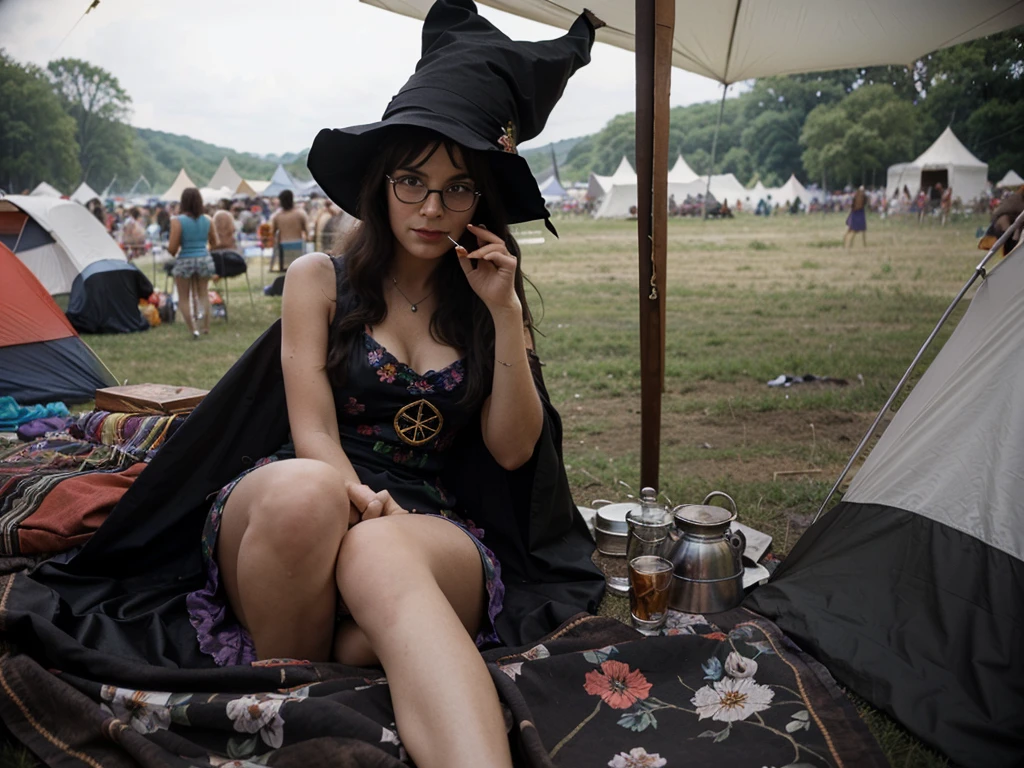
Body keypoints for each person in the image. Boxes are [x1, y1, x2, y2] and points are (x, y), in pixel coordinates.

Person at [182, 5, 603, 767]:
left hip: (424, 529)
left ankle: (365, 686)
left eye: (458, 188)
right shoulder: (319, 279)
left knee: (377, 555)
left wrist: (506, 316)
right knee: (305, 491)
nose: (432, 208)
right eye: (413, 181)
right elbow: (312, 431)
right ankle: (321, 671)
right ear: (381, 183)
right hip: (305, 500)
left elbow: (513, 453)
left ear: (484, 201)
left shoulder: (491, 299)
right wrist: (361, 501)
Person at [167, 186, 215, 338]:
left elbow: (173, 248)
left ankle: (193, 330)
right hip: (204, 258)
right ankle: (205, 327)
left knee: (184, 297)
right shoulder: (208, 219)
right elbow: (215, 241)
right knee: (203, 294)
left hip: (185, 260)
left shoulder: (177, 221)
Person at [270, 189, 308, 271]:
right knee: (298, 269)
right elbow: (307, 230)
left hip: (284, 246)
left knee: (286, 271)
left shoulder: (277, 216)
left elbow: (272, 232)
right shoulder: (300, 213)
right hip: (298, 245)